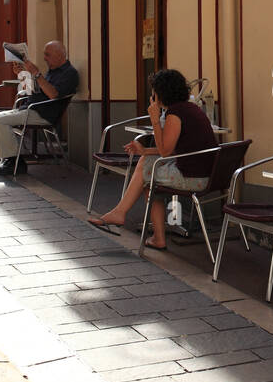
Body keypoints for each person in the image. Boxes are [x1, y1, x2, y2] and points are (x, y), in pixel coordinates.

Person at [88, 69, 216, 250]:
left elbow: (165, 152)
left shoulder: (175, 114)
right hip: (205, 174)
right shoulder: (189, 109)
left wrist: (155, 119)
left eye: (154, 91)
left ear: (161, 93)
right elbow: (174, 150)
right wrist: (145, 150)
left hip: (194, 178)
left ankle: (120, 213)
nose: (152, 95)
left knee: (145, 166)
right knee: (149, 181)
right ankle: (157, 238)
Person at [0, 40, 79, 175]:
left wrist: (37, 74)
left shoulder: (69, 73)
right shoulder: (52, 71)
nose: (44, 58)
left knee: (0, 122)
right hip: (29, 108)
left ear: (60, 55)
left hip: (42, 114)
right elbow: (31, 91)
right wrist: (21, 75)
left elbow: (53, 95)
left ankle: (16, 162)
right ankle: (7, 158)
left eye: (47, 55)